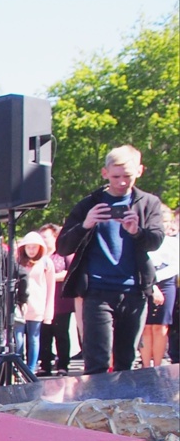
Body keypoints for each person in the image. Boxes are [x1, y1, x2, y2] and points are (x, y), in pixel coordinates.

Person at [58, 145, 166, 375]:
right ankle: (96, 407)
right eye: (116, 176)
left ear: (140, 171)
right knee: (97, 361)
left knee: (126, 360)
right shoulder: (89, 203)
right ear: (105, 173)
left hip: (134, 290)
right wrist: (85, 224)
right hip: (97, 290)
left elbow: (155, 241)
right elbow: (63, 246)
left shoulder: (149, 203)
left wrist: (137, 231)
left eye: (127, 176)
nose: (122, 182)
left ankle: (123, 408)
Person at [141, 204, 177, 368]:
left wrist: (156, 280)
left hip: (166, 282)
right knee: (146, 327)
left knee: (160, 327)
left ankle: (157, 366)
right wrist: (151, 284)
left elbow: (175, 266)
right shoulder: (144, 240)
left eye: (168, 221)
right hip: (145, 282)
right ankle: (146, 366)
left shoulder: (172, 242)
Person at [15, 231, 55, 374]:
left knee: (34, 338)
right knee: (18, 339)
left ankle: (31, 369)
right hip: (20, 307)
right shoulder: (17, 261)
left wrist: (48, 313)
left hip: (38, 306)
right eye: (28, 247)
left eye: (34, 247)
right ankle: (18, 367)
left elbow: (51, 288)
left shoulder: (46, 262)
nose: (31, 250)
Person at [38, 222, 74, 376]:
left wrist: (51, 276)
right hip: (42, 302)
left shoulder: (63, 254)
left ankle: (63, 365)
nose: (43, 240)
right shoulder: (39, 256)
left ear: (55, 237)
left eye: (46, 237)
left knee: (61, 333)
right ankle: (45, 365)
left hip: (61, 302)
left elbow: (70, 272)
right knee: (44, 334)